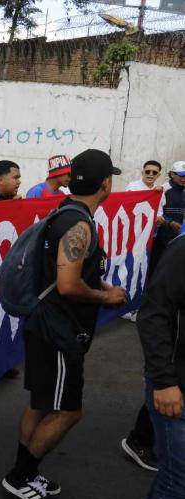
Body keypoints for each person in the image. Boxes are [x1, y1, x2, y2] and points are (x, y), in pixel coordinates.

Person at [2, 149, 127, 499]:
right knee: (68, 411)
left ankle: (25, 472)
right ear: (106, 184)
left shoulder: (65, 212)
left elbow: (68, 274)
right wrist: (106, 297)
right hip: (58, 330)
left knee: (42, 403)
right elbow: (69, 285)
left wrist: (100, 285)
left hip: (45, 322)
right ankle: (21, 476)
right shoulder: (79, 225)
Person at [119, 160, 167, 473]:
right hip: (136, 240)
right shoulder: (134, 189)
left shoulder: (160, 193)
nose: (150, 176)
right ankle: (141, 438)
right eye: (147, 172)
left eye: (154, 173)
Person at [137, 231, 185, 499]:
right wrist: (164, 381)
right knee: (179, 482)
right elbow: (152, 315)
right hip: (176, 387)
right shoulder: (182, 250)